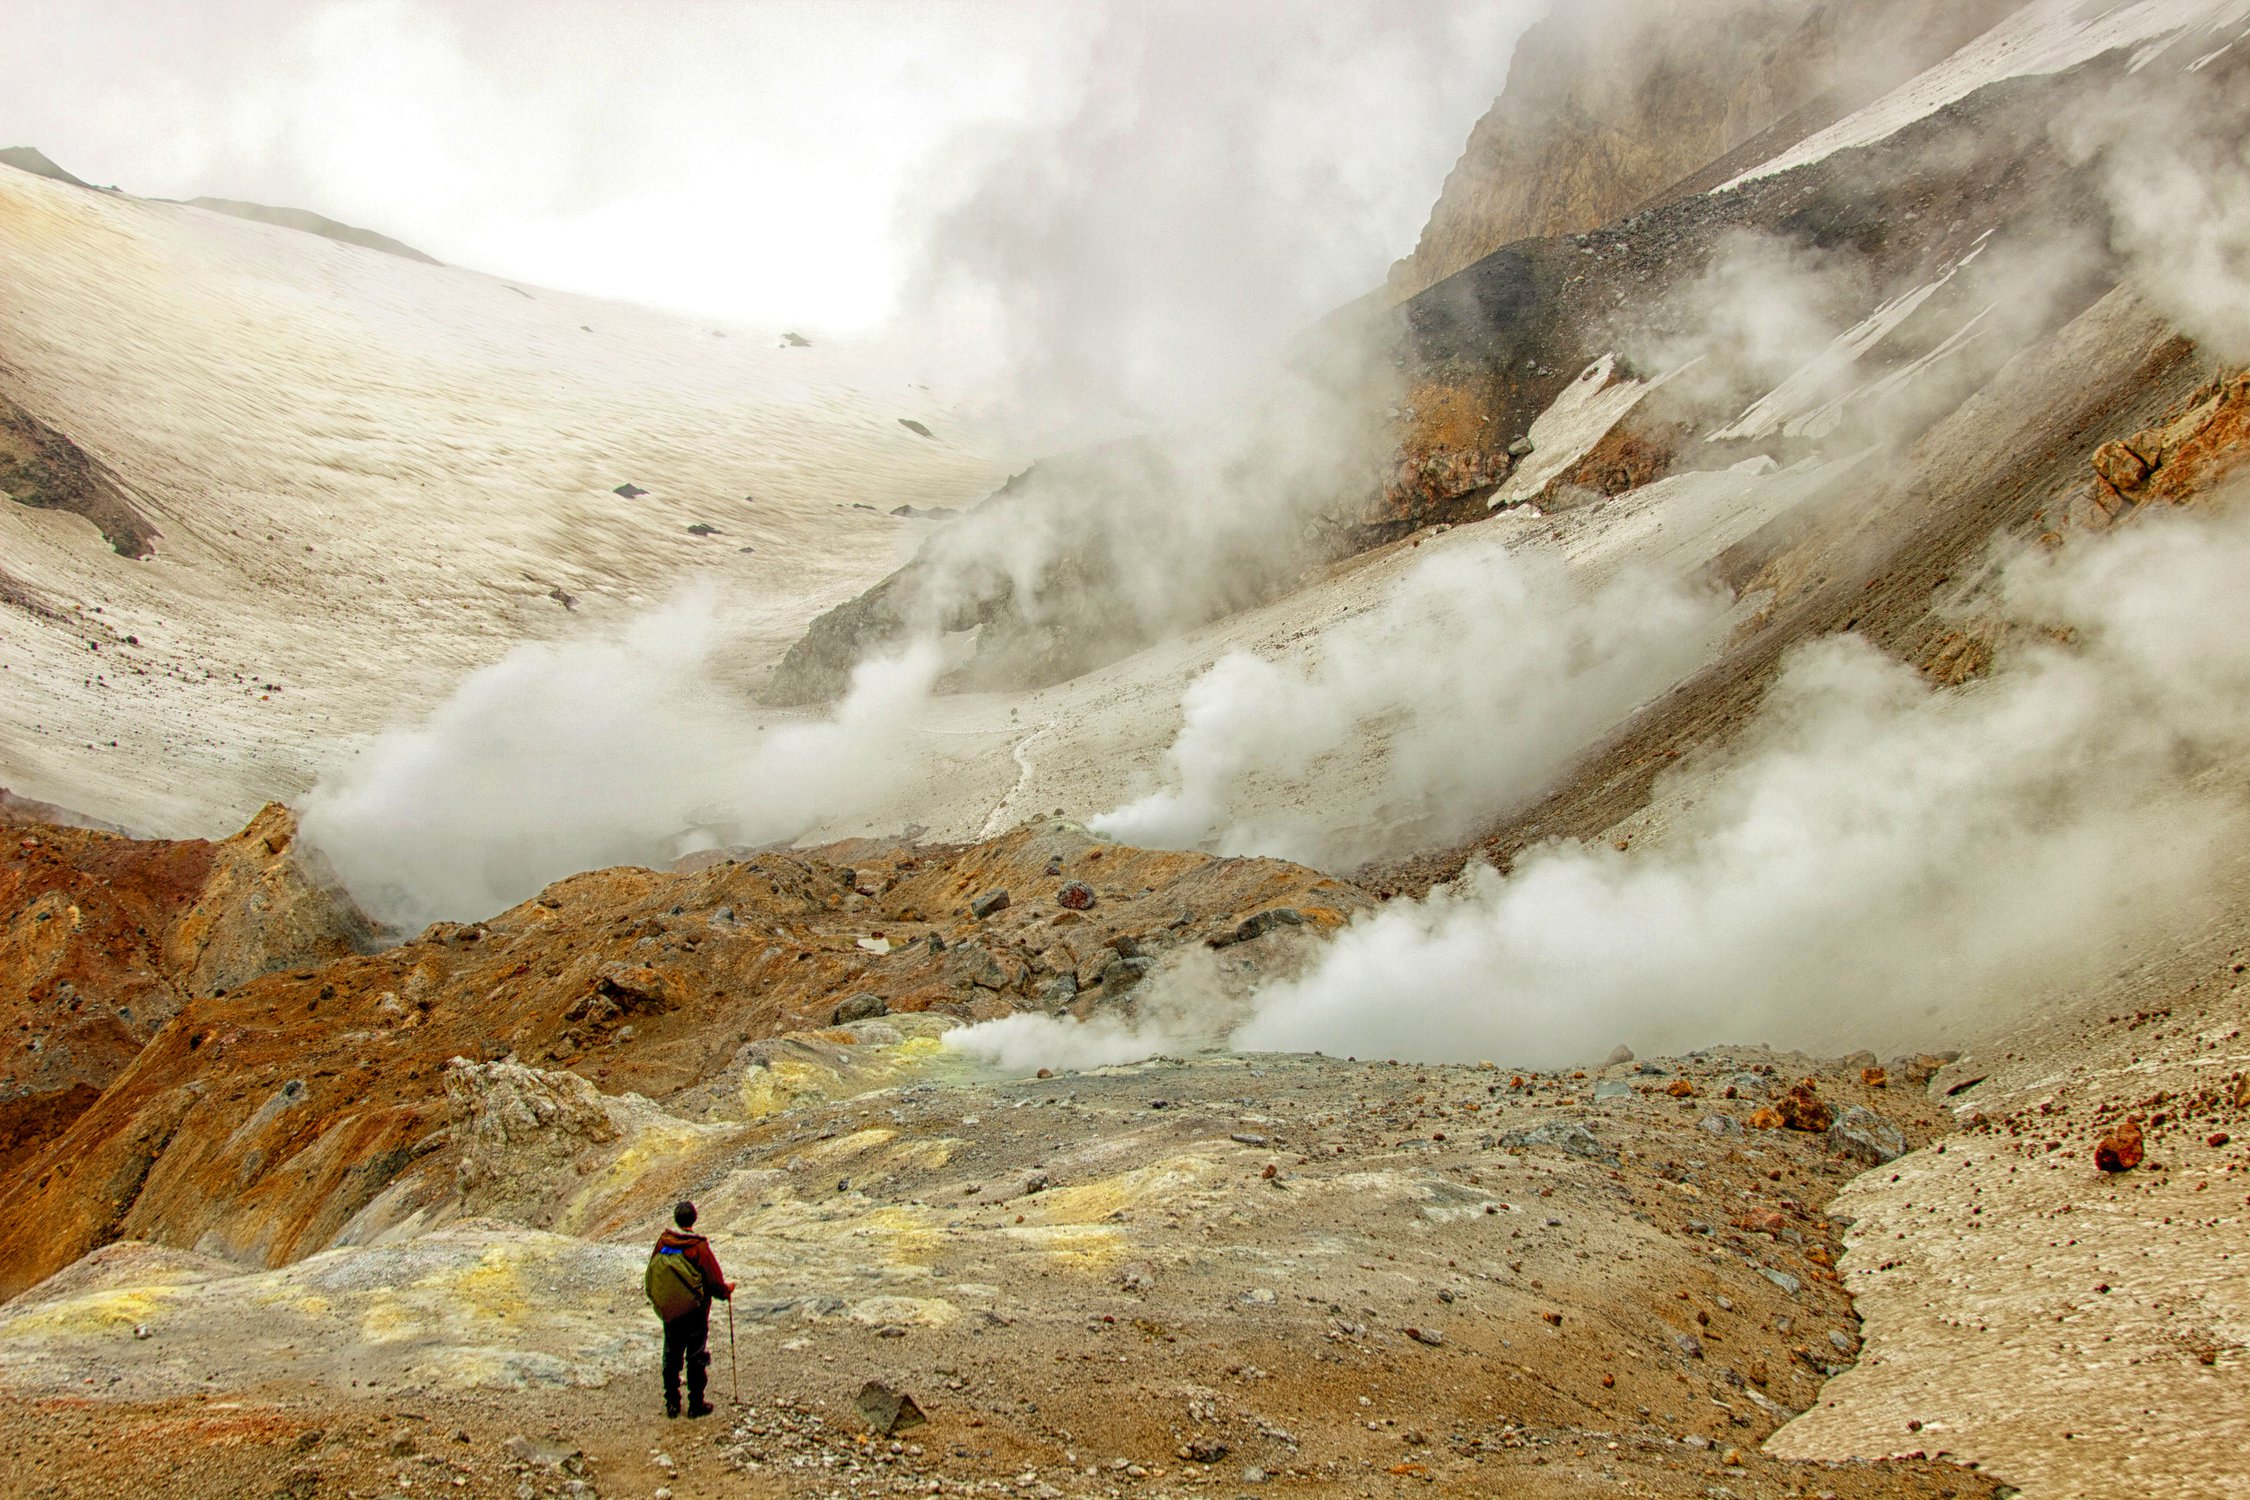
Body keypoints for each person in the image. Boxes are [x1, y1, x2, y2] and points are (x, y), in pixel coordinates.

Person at [645, 1200, 733, 1418]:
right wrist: (726, 1291)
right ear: (694, 1219)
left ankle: (672, 1403)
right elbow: (713, 1280)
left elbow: (653, 1272)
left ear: (676, 1219)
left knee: (671, 1355)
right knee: (696, 1356)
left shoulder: (663, 1242)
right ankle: (696, 1404)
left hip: (671, 1312)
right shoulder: (698, 1247)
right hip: (696, 1312)